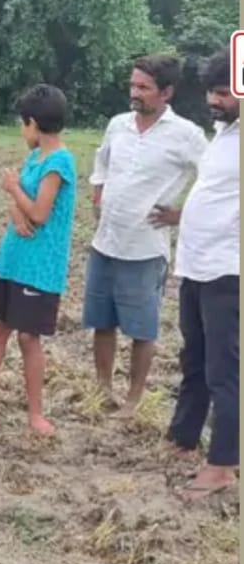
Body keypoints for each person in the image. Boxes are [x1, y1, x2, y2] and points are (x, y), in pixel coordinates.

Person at [86, 55, 207, 415]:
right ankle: (103, 389)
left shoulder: (187, 135)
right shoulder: (118, 125)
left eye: (144, 87)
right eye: (132, 85)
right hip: (105, 242)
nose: (134, 93)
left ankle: (134, 398)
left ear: (166, 93)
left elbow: (216, 180)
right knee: (102, 322)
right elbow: (102, 162)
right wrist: (98, 193)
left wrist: (181, 215)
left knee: (142, 329)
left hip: (145, 249)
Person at [0, 85, 77, 437]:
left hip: (39, 266)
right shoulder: (35, 158)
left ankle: (36, 414)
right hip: (13, 258)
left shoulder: (59, 162)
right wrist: (16, 209)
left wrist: (13, 190)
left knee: (29, 337)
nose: (22, 131)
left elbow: (40, 213)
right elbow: (22, 209)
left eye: (23, 124)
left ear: (32, 123)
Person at [160, 51, 239, 500]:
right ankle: (184, 437)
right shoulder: (223, 134)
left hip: (229, 270)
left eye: (223, 93)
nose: (214, 100)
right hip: (195, 265)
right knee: (194, 357)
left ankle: (223, 464)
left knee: (224, 369)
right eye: (211, 91)